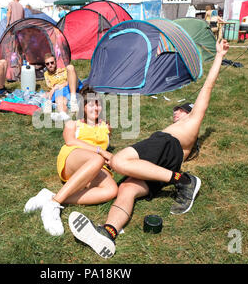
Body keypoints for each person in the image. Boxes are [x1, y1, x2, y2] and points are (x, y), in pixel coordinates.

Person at [68, 39, 231, 259]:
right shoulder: (181, 133)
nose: (175, 113)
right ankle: (109, 232)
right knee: (127, 190)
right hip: (162, 166)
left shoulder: (190, 123)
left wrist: (219, 56)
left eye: (180, 110)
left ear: (190, 112)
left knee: (118, 162)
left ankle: (185, 181)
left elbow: (207, 89)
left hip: (164, 146)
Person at [24, 86, 118, 236]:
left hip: (96, 165)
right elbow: (70, 141)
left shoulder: (106, 127)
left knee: (112, 190)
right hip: (72, 158)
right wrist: (102, 152)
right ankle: (53, 206)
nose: (96, 108)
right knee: (97, 159)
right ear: (84, 107)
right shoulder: (73, 124)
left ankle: (52, 197)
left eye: (98, 104)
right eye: (91, 104)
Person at [43, 53, 82, 121]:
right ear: (45, 65)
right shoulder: (46, 74)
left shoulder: (63, 69)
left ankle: (73, 99)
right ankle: (63, 114)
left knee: (70, 67)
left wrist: (60, 85)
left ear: (55, 62)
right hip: (60, 91)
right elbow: (51, 88)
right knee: (59, 99)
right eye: (47, 64)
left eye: (52, 62)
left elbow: (71, 79)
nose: (50, 65)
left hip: (71, 86)